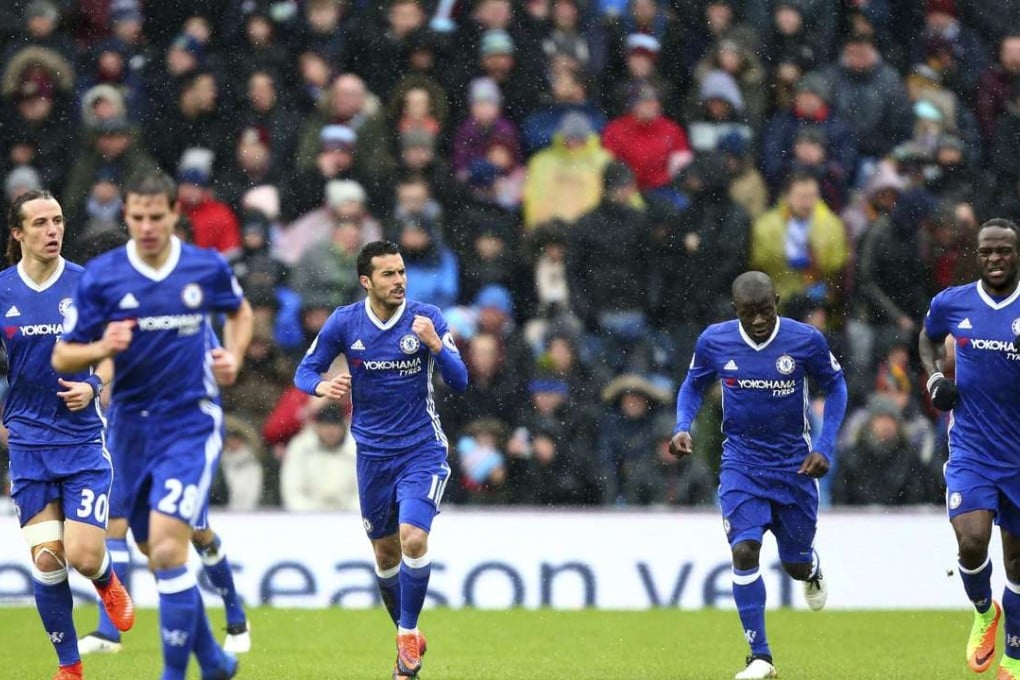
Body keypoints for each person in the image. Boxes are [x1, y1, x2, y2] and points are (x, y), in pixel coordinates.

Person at [52, 170, 253, 680]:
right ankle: (214, 662)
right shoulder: (103, 277)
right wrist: (103, 347)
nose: (147, 226)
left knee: (166, 547)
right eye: (138, 217)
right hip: (129, 429)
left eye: (156, 217)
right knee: (151, 547)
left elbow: (241, 312)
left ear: (174, 214)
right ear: (126, 215)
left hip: (189, 422)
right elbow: (63, 355)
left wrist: (233, 355)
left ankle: (173, 673)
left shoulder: (205, 267)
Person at [294, 240, 468, 680]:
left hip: (421, 449)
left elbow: (460, 380)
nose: (399, 281)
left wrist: (436, 346)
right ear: (366, 281)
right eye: (388, 274)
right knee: (386, 554)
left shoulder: (427, 318)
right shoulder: (344, 322)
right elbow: (305, 371)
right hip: (371, 455)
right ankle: (407, 637)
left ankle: (406, 634)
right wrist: (322, 387)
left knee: (413, 537)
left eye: (402, 272)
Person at [669, 271, 848, 680]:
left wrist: (825, 447)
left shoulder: (805, 340)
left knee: (795, 563)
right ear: (735, 311)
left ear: (777, 303)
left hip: (794, 467)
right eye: (748, 313)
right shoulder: (714, 341)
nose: (758, 321)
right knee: (744, 550)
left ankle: (811, 569)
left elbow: (836, 387)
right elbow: (693, 385)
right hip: (741, 465)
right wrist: (682, 426)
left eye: (765, 311)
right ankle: (761, 657)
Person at [2, 189, 135, 680]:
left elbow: (113, 352)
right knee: (46, 560)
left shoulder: (86, 285)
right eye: (40, 223)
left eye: (57, 220)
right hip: (28, 443)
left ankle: (105, 578)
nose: (52, 230)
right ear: (18, 233)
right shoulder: (3, 290)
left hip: (80, 442)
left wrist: (93, 385)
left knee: (81, 554)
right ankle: (70, 668)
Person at [918, 217, 1020, 679]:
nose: (995, 259)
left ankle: (1014, 659)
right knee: (972, 541)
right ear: (976, 256)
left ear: (1016, 255)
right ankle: (983, 610)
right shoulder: (952, 302)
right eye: (987, 252)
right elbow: (927, 337)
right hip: (972, 449)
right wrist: (935, 377)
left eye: (1004, 251)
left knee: (1017, 563)